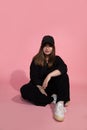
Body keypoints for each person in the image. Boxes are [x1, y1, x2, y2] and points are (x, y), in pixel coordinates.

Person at [20, 35, 70, 122]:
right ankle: (53, 98)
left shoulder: (57, 59)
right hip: (41, 87)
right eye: (45, 46)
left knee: (64, 75)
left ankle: (60, 103)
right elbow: (33, 77)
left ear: (53, 48)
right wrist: (40, 87)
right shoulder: (36, 59)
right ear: (42, 47)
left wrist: (49, 75)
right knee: (24, 90)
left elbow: (64, 68)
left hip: (53, 86)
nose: (47, 48)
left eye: (50, 46)